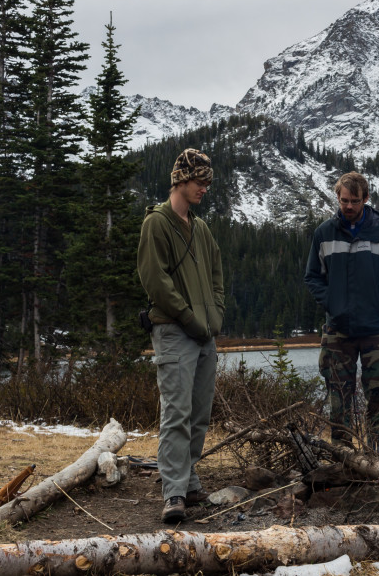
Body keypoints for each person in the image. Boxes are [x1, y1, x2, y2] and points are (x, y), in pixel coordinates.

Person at [137, 148, 224, 523]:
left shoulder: (201, 228)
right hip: (174, 332)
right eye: (199, 182)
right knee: (176, 412)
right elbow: (155, 280)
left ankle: (188, 479)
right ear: (180, 180)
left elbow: (217, 275)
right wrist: (188, 316)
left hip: (205, 334)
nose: (204, 188)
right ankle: (173, 491)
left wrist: (214, 316)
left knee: (200, 412)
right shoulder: (156, 224)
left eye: (206, 182)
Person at [304, 171, 379, 449]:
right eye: (343, 200)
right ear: (337, 198)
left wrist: (378, 305)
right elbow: (312, 276)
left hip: (377, 331)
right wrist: (334, 303)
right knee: (339, 403)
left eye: (354, 201)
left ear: (366, 199)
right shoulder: (323, 233)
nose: (348, 207)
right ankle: (342, 462)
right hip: (338, 330)